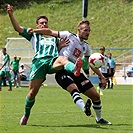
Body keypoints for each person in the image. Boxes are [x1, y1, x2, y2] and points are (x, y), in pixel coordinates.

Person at [7, 5, 81, 125]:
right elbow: (18, 28)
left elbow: (57, 50)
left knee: (63, 59)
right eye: (42, 23)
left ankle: (75, 68)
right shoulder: (33, 35)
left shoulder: (53, 37)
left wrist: (59, 46)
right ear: (37, 25)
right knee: (32, 93)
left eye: (46, 23)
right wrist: (11, 15)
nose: (44, 25)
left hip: (52, 61)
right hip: (39, 63)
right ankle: (26, 114)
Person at [32, 20, 111, 125]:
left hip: (76, 72)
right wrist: (35, 30)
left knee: (96, 96)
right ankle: (85, 108)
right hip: (62, 70)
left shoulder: (86, 47)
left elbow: (90, 64)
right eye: (85, 30)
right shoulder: (68, 35)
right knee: (74, 89)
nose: (88, 33)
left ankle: (99, 118)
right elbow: (50, 32)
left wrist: (101, 76)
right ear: (79, 30)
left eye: (89, 31)